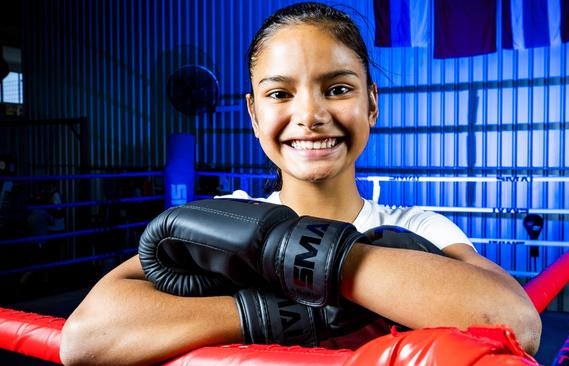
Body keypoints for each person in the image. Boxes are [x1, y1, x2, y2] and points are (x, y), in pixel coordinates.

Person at [60, 3, 541, 365]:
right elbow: (86, 338)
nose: (310, 115)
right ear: (253, 113)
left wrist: (303, 255)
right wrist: (295, 312)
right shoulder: (228, 214)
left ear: (370, 104)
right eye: (279, 93)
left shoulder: (417, 228)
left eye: (337, 89)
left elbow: (515, 322)